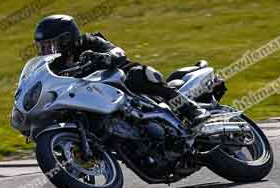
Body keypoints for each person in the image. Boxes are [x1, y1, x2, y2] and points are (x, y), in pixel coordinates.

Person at [33, 15, 210, 126]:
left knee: (142, 76)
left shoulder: (90, 41)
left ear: (66, 38)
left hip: (121, 81)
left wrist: (103, 57)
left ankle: (192, 110)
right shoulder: (56, 64)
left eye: (50, 45)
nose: (46, 51)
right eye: (43, 47)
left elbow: (118, 52)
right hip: (94, 96)